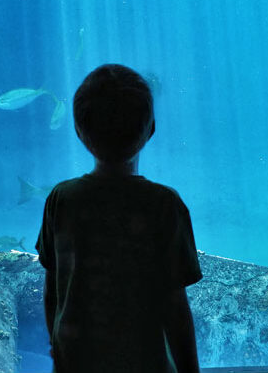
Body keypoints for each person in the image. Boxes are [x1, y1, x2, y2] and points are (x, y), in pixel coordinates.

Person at [36, 63, 202, 373]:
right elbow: (175, 308)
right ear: (150, 128)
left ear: (78, 131)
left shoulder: (61, 200)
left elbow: (53, 291)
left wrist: (57, 351)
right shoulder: (164, 205)